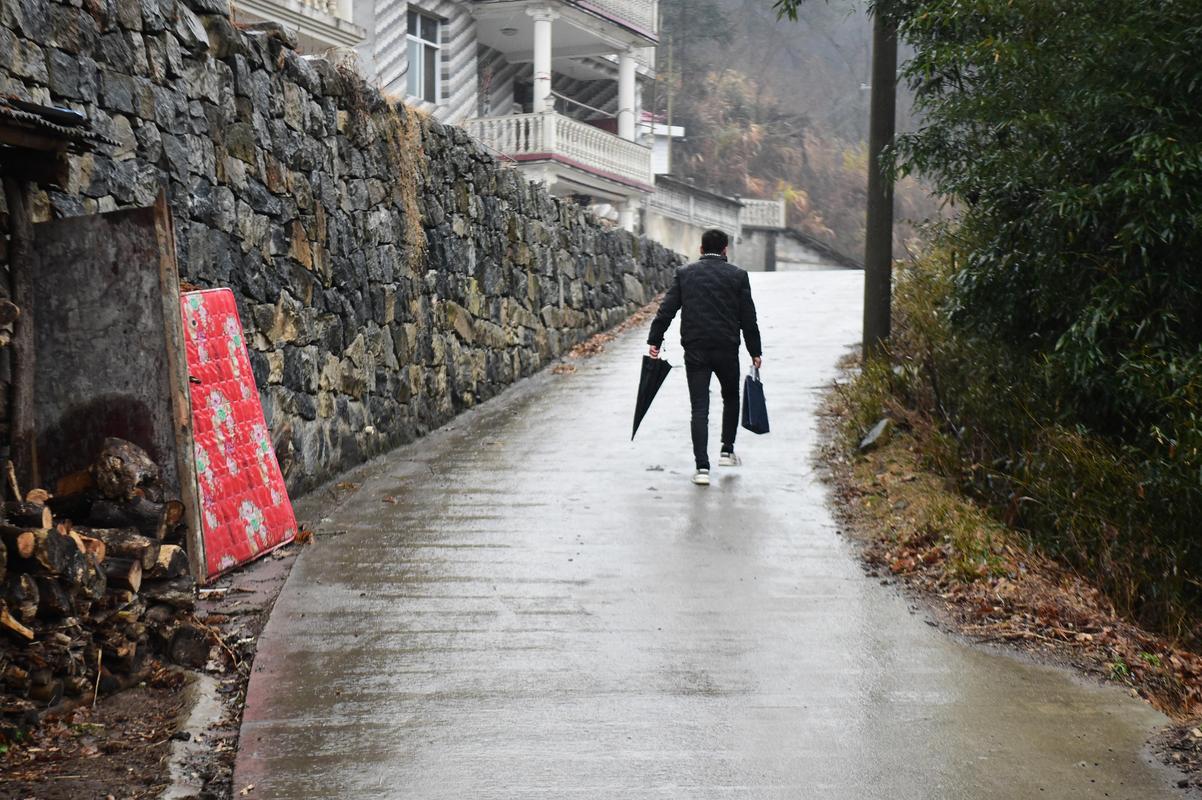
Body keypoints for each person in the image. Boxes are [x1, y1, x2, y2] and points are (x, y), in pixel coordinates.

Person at [647, 229, 762, 486]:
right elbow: (748, 318)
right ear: (725, 250)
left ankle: (701, 468)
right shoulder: (738, 276)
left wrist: (655, 340)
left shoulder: (685, 274)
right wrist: (755, 351)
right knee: (731, 397)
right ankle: (726, 451)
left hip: (696, 348)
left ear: (700, 249)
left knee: (699, 407)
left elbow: (666, 311)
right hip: (726, 347)